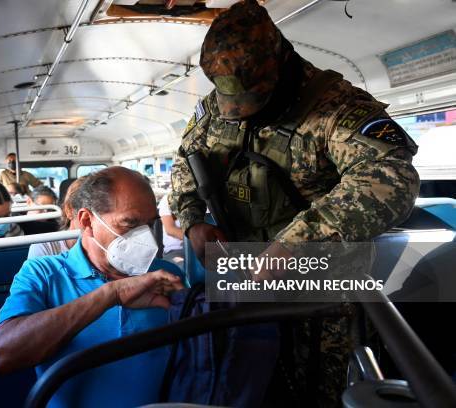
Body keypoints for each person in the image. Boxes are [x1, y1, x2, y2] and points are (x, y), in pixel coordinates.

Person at [169, 2, 420, 406]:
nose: (239, 110)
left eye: (255, 97)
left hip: (322, 294)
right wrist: (191, 218)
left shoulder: (336, 107)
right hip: (245, 278)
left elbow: (391, 181)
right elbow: (186, 159)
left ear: (280, 62)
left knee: (322, 396)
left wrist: (295, 243)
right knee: (250, 387)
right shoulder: (218, 106)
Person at [0, 167, 184, 407]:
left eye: (149, 225)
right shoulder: (42, 273)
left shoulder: (166, 275)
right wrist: (111, 295)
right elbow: (3, 355)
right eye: (129, 224)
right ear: (86, 220)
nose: (144, 238)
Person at [27, 177, 85, 259]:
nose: (45, 212)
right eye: (41, 207)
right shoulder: (44, 246)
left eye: (49, 209)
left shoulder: (54, 224)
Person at [158, 191, 184, 266]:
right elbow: (170, 230)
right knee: (183, 266)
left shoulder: (207, 198)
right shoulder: (168, 199)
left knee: (217, 268)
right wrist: (196, 237)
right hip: (176, 250)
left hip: (205, 248)